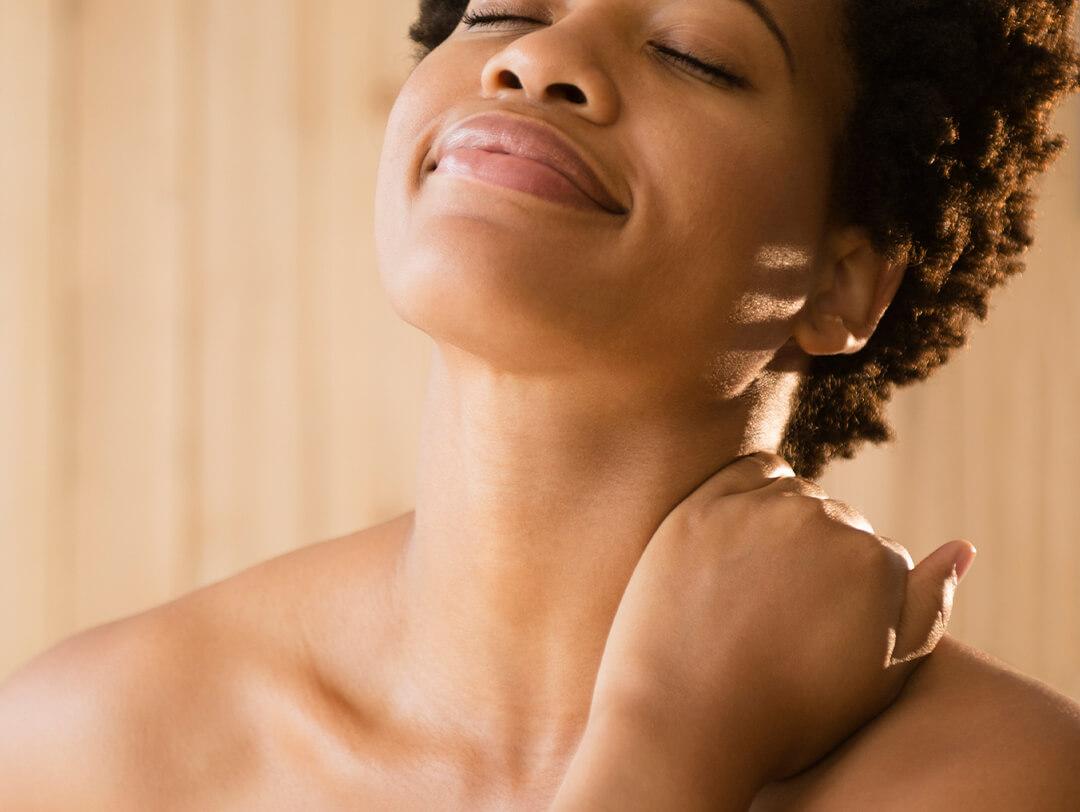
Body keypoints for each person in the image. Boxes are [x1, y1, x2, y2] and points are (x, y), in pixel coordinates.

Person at [3, 0, 1080, 808]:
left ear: (847, 278)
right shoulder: (92, 750)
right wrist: (664, 753)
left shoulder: (1009, 784)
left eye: (692, 51)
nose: (540, 57)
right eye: (506, 7)